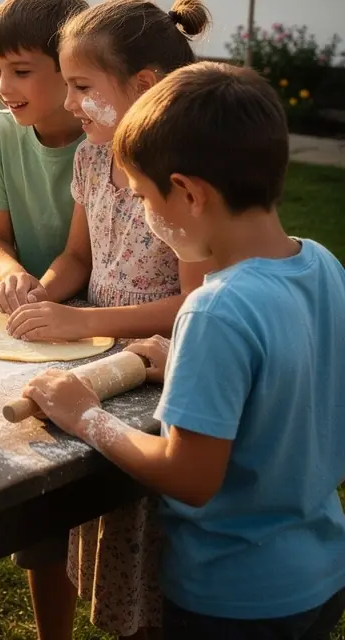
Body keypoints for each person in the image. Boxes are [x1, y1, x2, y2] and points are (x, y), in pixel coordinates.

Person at [23, 62, 345, 640]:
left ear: (190, 194)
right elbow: (295, 376)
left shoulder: (213, 310)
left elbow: (189, 476)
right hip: (319, 574)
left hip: (233, 599)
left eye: (145, 196)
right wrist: (187, 367)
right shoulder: (322, 265)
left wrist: (83, 415)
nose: (146, 212)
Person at [0, 0, 215, 639]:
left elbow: (192, 307)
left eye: (82, 87)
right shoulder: (94, 159)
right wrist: (46, 291)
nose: (69, 105)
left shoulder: (184, 181)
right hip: (99, 366)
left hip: (157, 381)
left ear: (143, 86)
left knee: (146, 561)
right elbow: (75, 256)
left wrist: (79, 324)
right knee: (75, 518)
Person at [0, 0, 87, 640]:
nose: (1, 86)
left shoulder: (102, 138)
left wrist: (45, 292)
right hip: (29, 319)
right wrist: (10, 274)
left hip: (93, 315)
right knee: (39, 479)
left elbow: (85, 258)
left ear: (69, 72)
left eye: (19, 71)